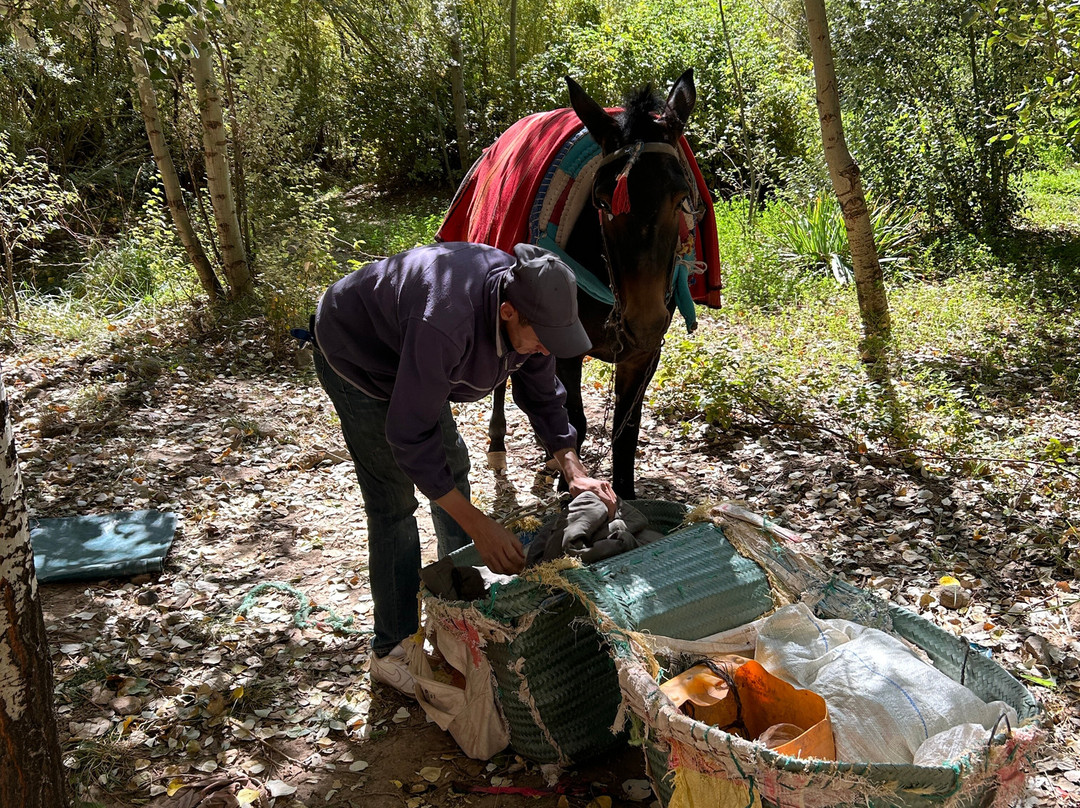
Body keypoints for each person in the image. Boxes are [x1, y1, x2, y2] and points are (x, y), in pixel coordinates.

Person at [311, 241, 617, 695]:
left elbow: (542, 394)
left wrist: (573, 468)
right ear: (508, 313)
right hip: (358, 351)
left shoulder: (537, 310)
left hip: (415, 356)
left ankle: (458, 608)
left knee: (452, 472)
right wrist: (479, 526)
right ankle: (392, 648)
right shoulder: (445, 323)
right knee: (393, 504)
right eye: (541, 340)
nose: (545, 349)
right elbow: (409, 436)